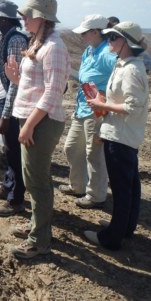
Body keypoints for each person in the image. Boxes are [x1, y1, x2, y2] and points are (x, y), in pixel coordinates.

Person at [6, 0, 71, 259]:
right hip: (33, 119)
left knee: (38, 182)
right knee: (32, 179)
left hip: (41, 123)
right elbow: (37, 86)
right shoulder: (40, 43)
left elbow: (54, 92)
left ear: (41, 18)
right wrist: (16, 79)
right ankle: (37, 227)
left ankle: (39, 241)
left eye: (27, 14)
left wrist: (29, 125)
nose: (23, 18)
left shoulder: (54, 47)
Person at [84, 21, 149, 250]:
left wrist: (103, 105)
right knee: (130, 186)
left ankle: (111, 237)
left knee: (122, 189)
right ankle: (125, 227)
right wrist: (106, 102)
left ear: (126, 42)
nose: (109, 41)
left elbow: (133, 107)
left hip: (120, 136)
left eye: (113, 38)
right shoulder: (127, 65)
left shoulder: (130, 69)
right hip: (124, 134)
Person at [59, 14, 116, 208]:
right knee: (72, 148)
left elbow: (122, 76)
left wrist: (107, 96)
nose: (81, 36)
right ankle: (78, 185)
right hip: (82, 107)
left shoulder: (108, 53)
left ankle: (96, 195)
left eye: (84, 33)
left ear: (95, 32)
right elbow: (85, 78)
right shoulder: (89, 51)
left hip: (98, 111)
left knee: (94, 153)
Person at [0, 0, 29, 217]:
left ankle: (16, 198)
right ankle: (9, 186)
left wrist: (7, 113)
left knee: (14, 151)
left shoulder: (16, 40)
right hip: (3, 101)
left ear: (3, 19)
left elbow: (16, 82)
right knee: (9, 150)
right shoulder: (6, 38)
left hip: (12, 103)